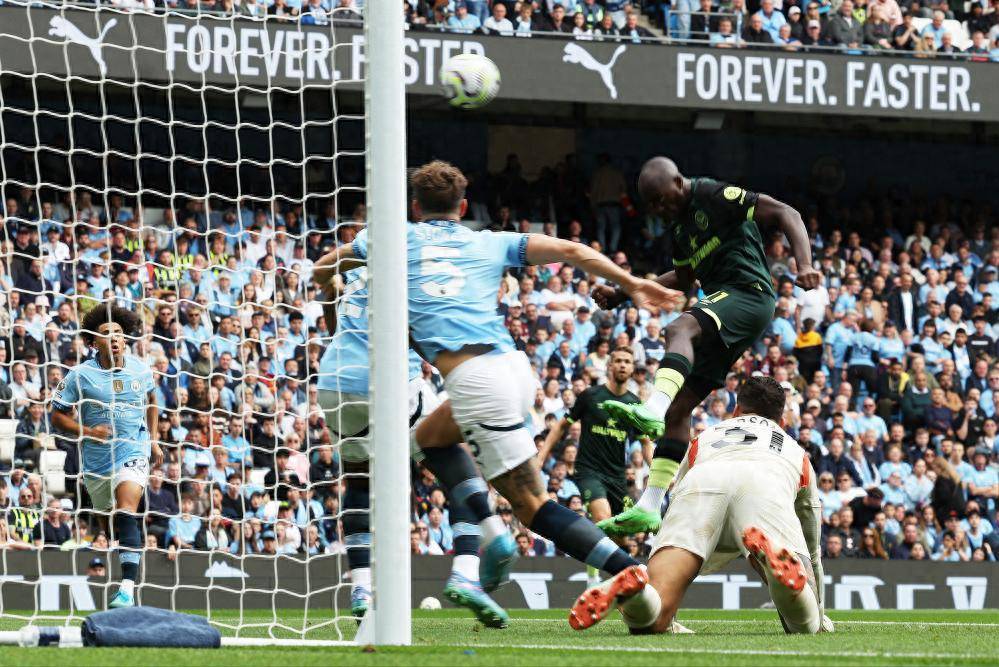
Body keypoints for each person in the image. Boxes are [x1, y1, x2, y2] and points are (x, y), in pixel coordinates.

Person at [325, 160, 679, 605]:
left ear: (414, 207)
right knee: (430, 438)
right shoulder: (489, 240)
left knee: (534, 506)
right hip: (514, 368)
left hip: (475, 383)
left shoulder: (395, 242)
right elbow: (571, 250)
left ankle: (623, 570)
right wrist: (632, 282)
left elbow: (336, 263)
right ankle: (482, 551)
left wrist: (323, 279)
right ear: (464, 208)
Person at [594, 156, 819, 536]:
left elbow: (786, 213)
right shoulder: (680, 227)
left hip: (749, 293)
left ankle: (651, 407)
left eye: (662, 200)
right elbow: (683, 278)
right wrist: (623, 292)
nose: (660, 209)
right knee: (680, 408)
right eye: (652, 206)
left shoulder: (714, 195)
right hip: (729, 304)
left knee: (679, 328)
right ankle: (650, 506)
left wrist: (805, 264)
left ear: (678, 182)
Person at [309, 261, 507, 627]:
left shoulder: (353, 272)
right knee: (452, 456)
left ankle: (361, 588)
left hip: (336, 382)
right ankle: (477, 554)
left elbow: (335, 318)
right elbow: (428, 333)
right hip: (390, 378)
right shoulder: (412, 268)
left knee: (358, 481)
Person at [573, 377, 829, 635]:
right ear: (782, 422)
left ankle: (639, 595)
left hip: (704, 481)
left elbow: (678, 497)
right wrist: (819, 613)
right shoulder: (795, 451)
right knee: (805, 624)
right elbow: (812, 549)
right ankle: (782, 578)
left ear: (736, 411)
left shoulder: (705, 437)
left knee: (652, 620)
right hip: (765, 486)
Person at [50, 304, 160, 609]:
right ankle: (119, 559)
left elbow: (152, 400)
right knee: (110, 526)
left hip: (133, 448)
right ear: (92, 342)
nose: (113, 337)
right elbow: (57, 416)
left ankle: (126, 589)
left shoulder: (141, 369)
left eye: (118, 332)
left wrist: (153, 441)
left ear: (125, 339)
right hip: (96, 462)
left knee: (127, 509)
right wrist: (88, 431)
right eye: (105, 333)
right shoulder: (80, 375)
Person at [538, 346, 652, 585]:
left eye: (627, 361)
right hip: (589, 472)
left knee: (621, 539)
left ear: (632, 368)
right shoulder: (591, 396)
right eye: (618, 360)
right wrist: (541, 457)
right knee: (603, 518)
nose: (622, 365)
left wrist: (660, 474)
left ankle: (623, 584)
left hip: (617, 477)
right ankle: (592, 580)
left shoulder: (634, 404)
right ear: (609, 366)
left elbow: (645, 443)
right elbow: (561, 426)